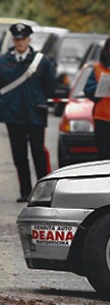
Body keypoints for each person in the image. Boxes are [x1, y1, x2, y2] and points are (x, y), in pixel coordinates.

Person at [0, 23, 55, 202]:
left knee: (38, 152)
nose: (20, 42)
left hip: (35, 114)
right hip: (13, 115)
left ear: (29, 39)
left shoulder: (42, 61)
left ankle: (45, 192)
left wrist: (38, 100)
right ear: (13, 40)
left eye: (23, 39)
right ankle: (26, 191)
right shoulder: (3, 61)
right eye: (17, 39)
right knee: (19, 153)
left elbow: (50, 86)